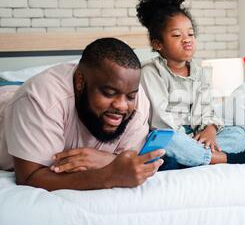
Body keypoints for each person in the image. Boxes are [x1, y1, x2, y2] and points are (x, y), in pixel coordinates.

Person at [0, 38, 165, 191]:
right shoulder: (40, 99)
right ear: (80, 82)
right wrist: (108, 175)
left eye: (130, 96)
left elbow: (129, 163)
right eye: (108, 93)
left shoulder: (138, 104)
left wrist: (107, 161)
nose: (122, 106)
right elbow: (29, 177)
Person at [136, 0, 245, 169]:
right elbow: (161, 122)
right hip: (170, 136)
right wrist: (190, 141)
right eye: (176, 35)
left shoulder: (200, 73)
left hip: (195, 139)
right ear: (158, 43)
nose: (187, 39)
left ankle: (188, 160)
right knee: (168, 141)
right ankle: (223, 159)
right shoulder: (150, 72)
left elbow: (207, 111)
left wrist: (210, 130)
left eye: (190, 34)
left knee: (237, 133)